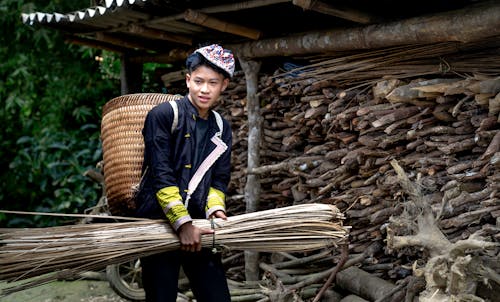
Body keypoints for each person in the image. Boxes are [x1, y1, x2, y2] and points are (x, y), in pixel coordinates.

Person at [134, 44, 234, 302]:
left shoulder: (222, 127)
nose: (204, 89)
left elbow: (219, 178)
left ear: (223, 85)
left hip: (199, 224)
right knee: (161, 296)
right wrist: (183, 223)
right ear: (188, 80)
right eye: (198, 81)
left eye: (213, 82)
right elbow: (161, 173)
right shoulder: (164, 115)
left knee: (217, 297)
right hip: (158, 222)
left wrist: (215, 211)